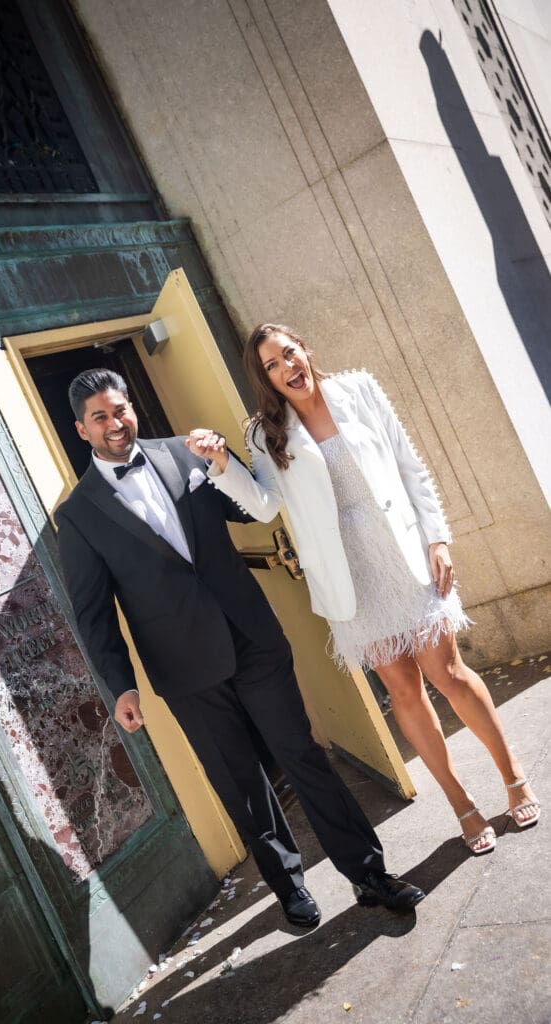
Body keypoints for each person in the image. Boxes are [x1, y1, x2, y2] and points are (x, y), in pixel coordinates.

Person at [55, 367, 426, 927]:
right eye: (99, 417)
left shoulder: (190, 453)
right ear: (82, 430)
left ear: (132, 407)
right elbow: (93, 610)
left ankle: (369, 874)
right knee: (239, 781)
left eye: (120, 409)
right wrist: (121, 684)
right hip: (183, 669)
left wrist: (224, 461)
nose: (114, 423)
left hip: (252, 637)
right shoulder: (78, 515)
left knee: (301, 753)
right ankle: (290, 887)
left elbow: (255, 506)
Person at [191, 323, 540, 855]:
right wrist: (221, 464)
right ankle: (460, 802)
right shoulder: (265, 433)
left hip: (403, 553)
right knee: (403, 690)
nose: (289, 367)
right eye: (273, 365)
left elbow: (409, 465)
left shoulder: (360, 389)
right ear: (264, 378)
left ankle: (513, 775)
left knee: (448, 673)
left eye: (291, 353)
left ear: (306, 348)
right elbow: (263, 505)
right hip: (348, 576)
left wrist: (438, 538)